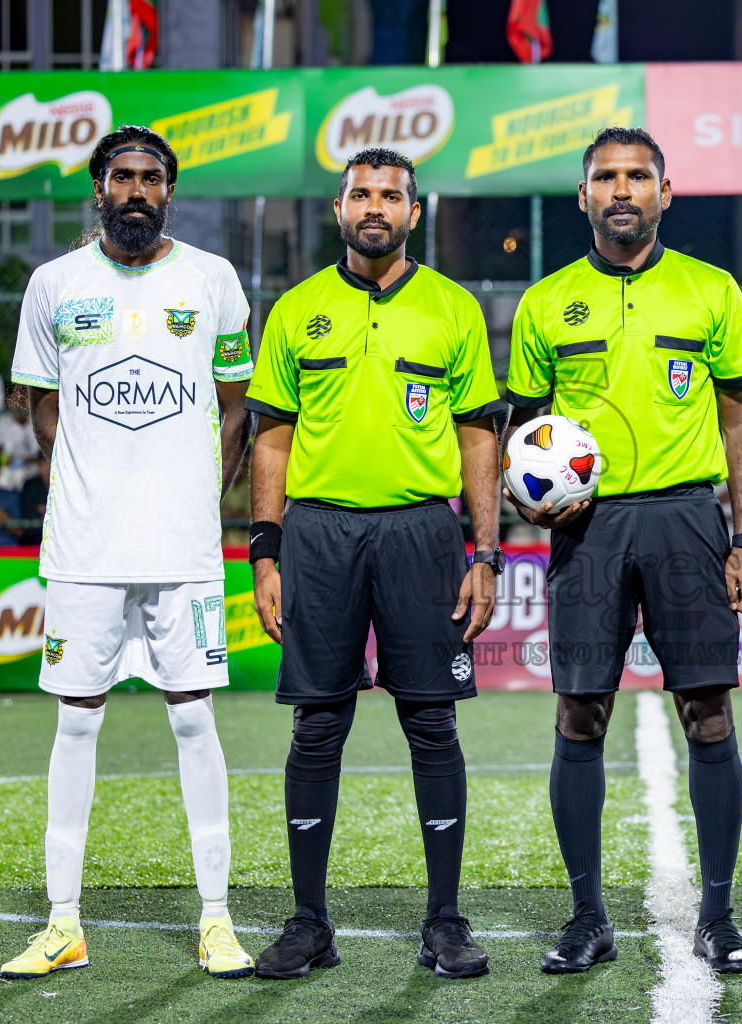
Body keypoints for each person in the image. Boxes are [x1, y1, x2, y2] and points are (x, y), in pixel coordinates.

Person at [0, 126, 256, 981]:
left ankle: (217, 920)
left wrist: (200, 486)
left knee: (192, 716)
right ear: (99, 190)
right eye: (122, 178)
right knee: (76, 723)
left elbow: (234, 403)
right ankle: (62, 922)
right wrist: (83, 475)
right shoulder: (54, 284)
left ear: (168, 192)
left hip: (182, 546)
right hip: (84, 546)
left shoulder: (212, 280)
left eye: (151, 178)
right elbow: (38, 400)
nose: (136, 191)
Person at [506, 126, 742, 975]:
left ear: (665, 191)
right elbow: (523, 431)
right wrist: (525, 495)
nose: (622, 191)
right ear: (583, 196)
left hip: (690, 519)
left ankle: (719, 919)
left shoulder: (711, 289)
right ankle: (588, 918)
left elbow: (740, 422)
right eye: (605, 178)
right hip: (588, 530)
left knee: (710, 713)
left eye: (637, 177)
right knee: (580, 713)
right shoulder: (547, 303)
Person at [247, 147, 503, 982]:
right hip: (318, 537)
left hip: (422, 536)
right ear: (339, 207)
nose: (376, 206)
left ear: (414, 213)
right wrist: (264, 551)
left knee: (433, 724)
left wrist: (486, 552)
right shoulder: (295, 309)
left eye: (392, 195)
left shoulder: (454, 309)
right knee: (317, 725)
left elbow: (475, 437)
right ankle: (309, 922)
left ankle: (445, 922)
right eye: (362, 193)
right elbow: (273, 440)